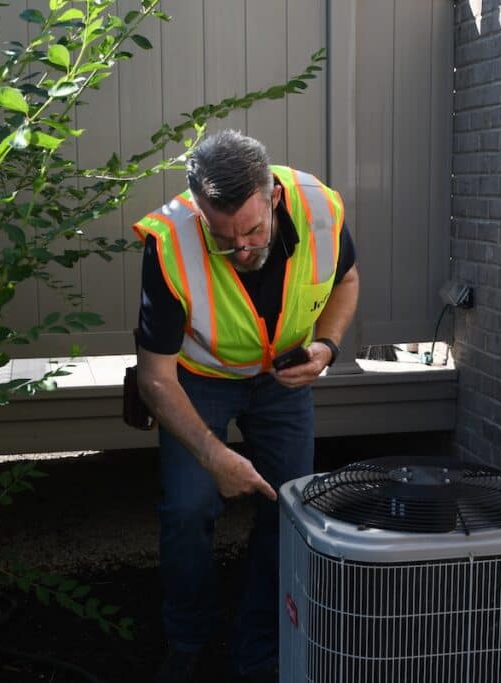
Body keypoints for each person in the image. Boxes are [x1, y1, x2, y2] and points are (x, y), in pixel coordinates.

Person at [133, 130, 359, 683]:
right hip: (198, 379)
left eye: (254, 230)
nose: (242, 249)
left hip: (282, 379)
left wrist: (327, 348)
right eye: (223, 236)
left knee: (289, 511)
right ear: (199, 211)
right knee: (187, 511)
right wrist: (213, 458)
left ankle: (260, 646)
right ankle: (188, 639)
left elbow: (347, 280)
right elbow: (154, 378)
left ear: (274, 198)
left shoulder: (320, 208)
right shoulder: (169, 241)